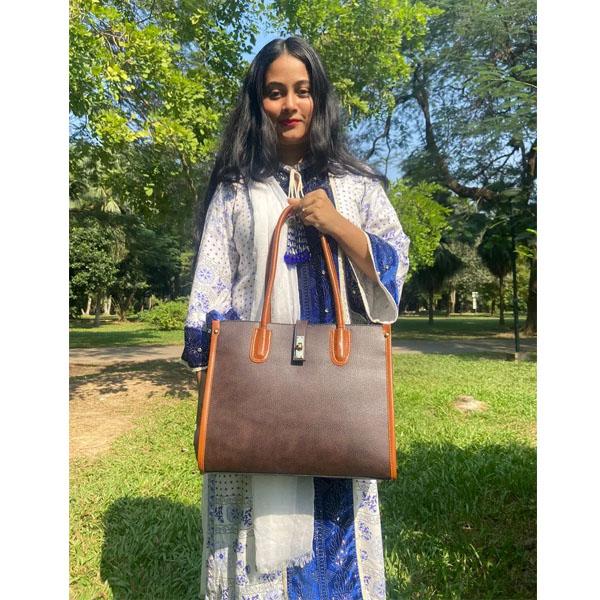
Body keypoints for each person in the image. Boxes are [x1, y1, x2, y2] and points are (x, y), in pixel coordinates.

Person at [181, 36, 410, 600]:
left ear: (319, 98)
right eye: (275, 92)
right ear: (257, 101)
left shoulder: (357, 185)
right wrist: (212, 378)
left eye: (302, 91)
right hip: (257, 390)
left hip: (335, 391)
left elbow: (395, 262)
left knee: (337, 510)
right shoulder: (236, 190)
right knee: (251, 505)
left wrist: (338, 224)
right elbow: (212, 283)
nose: (290, 105)